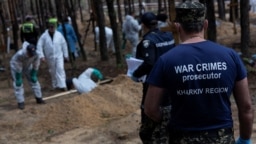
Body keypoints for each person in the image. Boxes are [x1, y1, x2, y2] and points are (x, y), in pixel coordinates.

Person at [144, 1, 254, 144]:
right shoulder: (230, 56)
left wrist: (168, 121)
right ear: (206, 24)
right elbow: (246, 107)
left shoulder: (165, 60)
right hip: (221, 138)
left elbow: (150, 109)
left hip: (182, 137)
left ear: (177, 27)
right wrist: (245, 139)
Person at [130, 12, 175, 143]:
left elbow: (149, 63)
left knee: (148, 128)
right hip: (172, 86)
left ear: (143, 25)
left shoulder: (148, 41)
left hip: (154, 86)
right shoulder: (168, 36)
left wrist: (136, 74)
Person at [10, 42, 45, 110]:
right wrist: (18, 76)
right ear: (27, 51)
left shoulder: (36, 54)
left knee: (34, 80)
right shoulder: (20, 54)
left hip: (28, 65)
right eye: (30, 54)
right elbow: (18, 65)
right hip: (16, 66)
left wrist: (34, 72)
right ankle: (21, 102)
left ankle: (39, 98)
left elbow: (36, 62)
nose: (31, 55)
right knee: (18, 83)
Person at [37, 20, 69, 91]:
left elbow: (64, 44)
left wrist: (66, 55)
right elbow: (39, 46)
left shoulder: (59, 35)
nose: (52, 28)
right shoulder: (44, 36)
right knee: (53, 71)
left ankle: (62, 85)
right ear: (49, 27)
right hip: (50, 57)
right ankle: (55, 85)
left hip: (59, 55)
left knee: (60, 69)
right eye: (50, 27)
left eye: (53, 27)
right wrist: (41, 56)